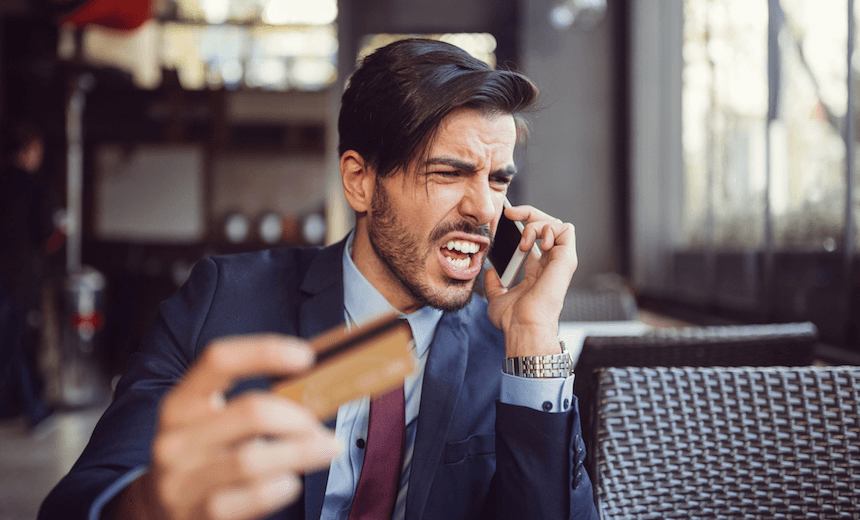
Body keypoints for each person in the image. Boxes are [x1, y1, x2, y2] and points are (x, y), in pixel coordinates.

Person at [39, 38, 599, 520]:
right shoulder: (224, 301)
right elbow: (78, 502)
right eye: (449, 173)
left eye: (498, 181)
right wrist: (153, 505)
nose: (485, 210)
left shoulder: (505, 350)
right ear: (359, 182)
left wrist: (530, 341)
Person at [0, 120, 56, 435]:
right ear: (31, 150)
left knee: (9, 338)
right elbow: (45, 233)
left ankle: (20, 407)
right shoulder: (36, 187)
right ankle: (33, 408)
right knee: (17, 339)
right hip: (20, 274)